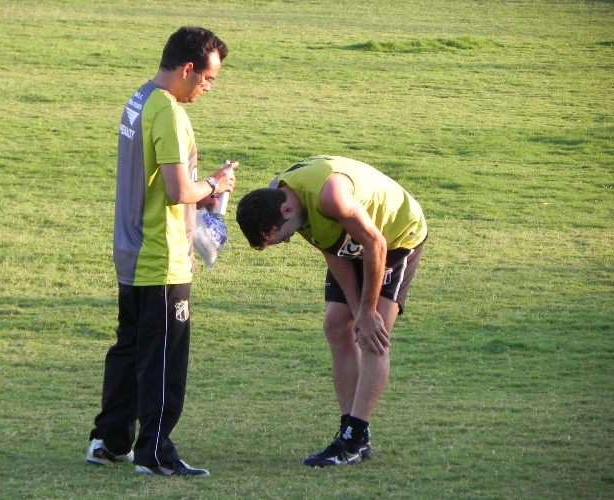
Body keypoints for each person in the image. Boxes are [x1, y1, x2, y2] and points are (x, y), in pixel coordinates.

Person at [86, 26, 237, 477]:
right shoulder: (168, 114)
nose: (207, 88)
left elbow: (156, 182)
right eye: (207, 79)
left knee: (129, 351)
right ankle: (154, 451)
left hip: (130, 251)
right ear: (188, 68)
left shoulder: (139, 100)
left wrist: (200, 193)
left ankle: (110, 441)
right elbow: (176, 190)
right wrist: (214, 185)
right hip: (161, 258)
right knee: (165, 359)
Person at [236, 155, 427, 467]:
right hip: (350, 237)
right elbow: (330, 247)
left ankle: (355, 438)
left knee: (374, 335)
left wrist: (366, 313)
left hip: (393, 237)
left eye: (282, 238)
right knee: (338, 326)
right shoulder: (280, 196)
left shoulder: (331, 197)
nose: (287, 242)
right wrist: (355, 309)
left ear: (286, 211)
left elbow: (375, 244)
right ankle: (349, 430)